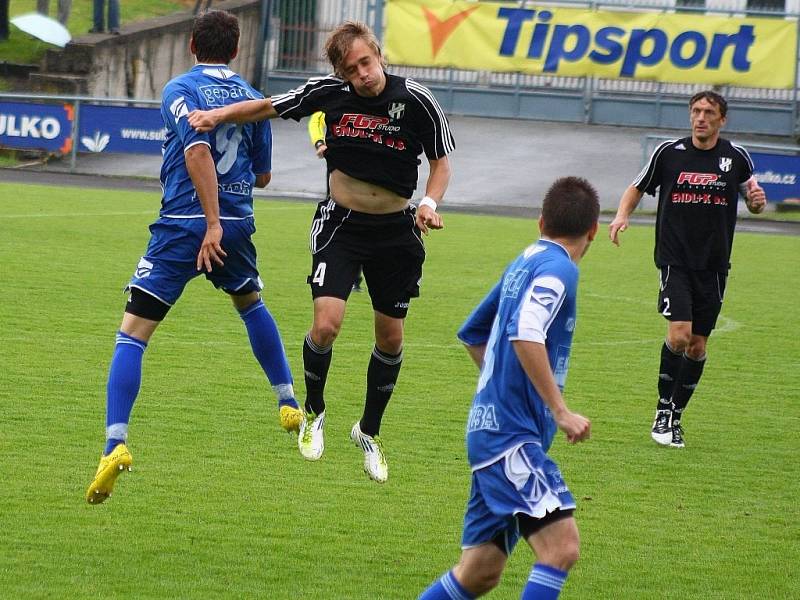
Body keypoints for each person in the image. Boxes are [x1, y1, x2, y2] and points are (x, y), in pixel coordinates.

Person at [188, 20, 454, 483]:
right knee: (326, 325)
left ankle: (368, 432)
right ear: (342, 73)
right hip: (342, 225)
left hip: (397, 230)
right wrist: (217, 116)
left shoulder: (417, 100)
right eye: (352, 70)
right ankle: (314, 411)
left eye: (366, 63)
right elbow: (268, 107)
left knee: (391, 339)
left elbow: (441, 162)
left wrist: (429, 204)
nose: (362, 75)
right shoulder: (328, 93)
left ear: (379, 55)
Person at [85, 9, 302, 505]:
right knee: (250, 302)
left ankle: (114, 444)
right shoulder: (251, 97)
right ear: (236, 46)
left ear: (190, 45)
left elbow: (197, 151)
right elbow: (264, 176)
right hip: (240, 223)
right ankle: (287, 400)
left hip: (188, 226)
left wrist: (210, 223)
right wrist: (229, 211)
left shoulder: (180, 89)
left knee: (132, 333)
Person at [419, 177, 597, 600]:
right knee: (561, 549)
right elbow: (525, 331)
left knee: (478, 573)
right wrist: (558, 409)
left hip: (492, 433)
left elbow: (473, 334)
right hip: (509, 440)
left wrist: (504, 390)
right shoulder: (559, 269)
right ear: (593, 231)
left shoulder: (525, 259)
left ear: (540, 221)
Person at [609, 90, 767, 449]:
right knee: (679, 334)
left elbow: (753, 198)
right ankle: (663, 408)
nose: (700, 117)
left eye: (709, 112)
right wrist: (621, 215)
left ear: (722, 119)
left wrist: (758, 204)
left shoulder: (736, 158)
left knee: (697, 346)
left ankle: (676, 415)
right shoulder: (668, 153)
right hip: (674, 260)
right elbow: (637, 187)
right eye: (696, 110)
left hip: (713, 266)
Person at [307, 109, 363, 292]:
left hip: (370, 170)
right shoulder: (337, 98)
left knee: (364, 219)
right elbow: (316, 119)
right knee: (338, 216)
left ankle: (355, 276)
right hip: (339, 169)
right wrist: (319, 143)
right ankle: (339, 276)